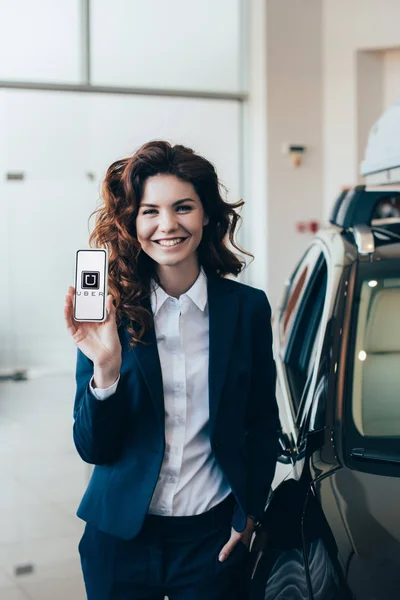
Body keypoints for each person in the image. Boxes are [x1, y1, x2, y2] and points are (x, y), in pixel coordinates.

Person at [64, 140, 279, 600]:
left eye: (183, 207)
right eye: (150, 211)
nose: (168, 225)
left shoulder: (246, 309)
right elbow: (92, 447)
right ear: (132, 223)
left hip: (211, 539)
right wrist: (106, 366)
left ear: (206, 216)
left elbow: (262, 421)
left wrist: (250, 513)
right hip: (119, 539)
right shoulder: (110, 313)